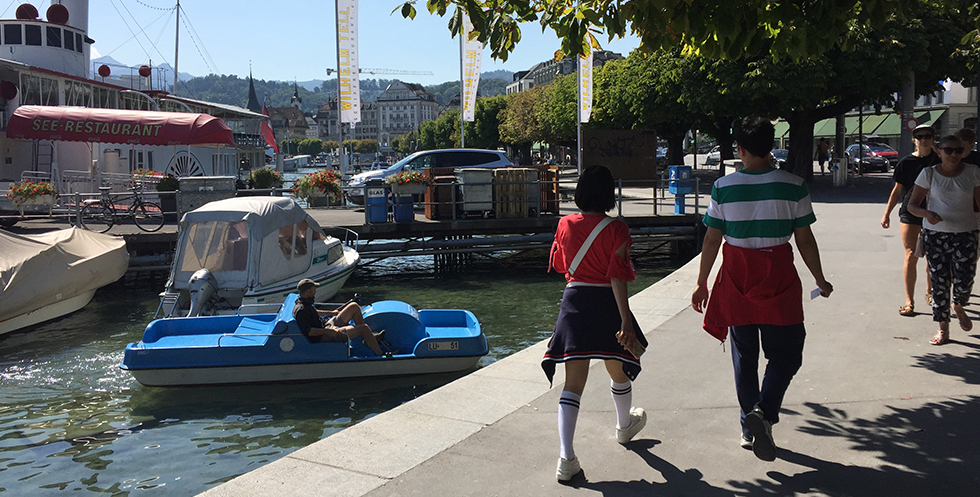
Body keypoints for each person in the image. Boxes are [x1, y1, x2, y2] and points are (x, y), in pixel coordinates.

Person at [692, 116, 833, 462]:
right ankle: (765, 411)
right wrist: (819, 277)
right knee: (787, 350)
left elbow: (712, 237)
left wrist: (701, 282)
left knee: (744, 354)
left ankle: (747, 424)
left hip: (737, 273)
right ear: (771, 145)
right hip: (778, 272)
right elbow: (804, 238)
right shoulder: (794, 184)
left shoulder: (723, 187)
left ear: (740, 149)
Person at [541, 165, 648, 482]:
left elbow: (561, 265)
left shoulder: (564, 224)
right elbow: (618, 274)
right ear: (609, 195)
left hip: (574, 304)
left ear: (581, 192)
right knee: (618, 369)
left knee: (573, 384)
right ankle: (624, 426)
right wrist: (626, 321)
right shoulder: (617, 229)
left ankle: (566, 457)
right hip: (606, 304)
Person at [906, 135, 980, 345]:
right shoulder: (928, 174)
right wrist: (927, 214)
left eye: (958, 150)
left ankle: (958, 304)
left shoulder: (973, 172)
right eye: (949, 150)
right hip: (936, 234)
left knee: (965, 278)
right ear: (939, 152)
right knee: (939, 281)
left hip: (967, 232)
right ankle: (943, 330)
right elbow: (912, 205)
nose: (954, 154)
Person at [881, 124, 938, 316]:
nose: (924, 139)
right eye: (920, 136)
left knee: (932, 255)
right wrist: (887, 213)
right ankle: (909, 301)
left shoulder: (940, 159)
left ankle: (930, 292)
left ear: (933, 138)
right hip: (910, 211)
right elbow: (898, 190)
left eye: (927, 136)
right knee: (911, 254)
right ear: (914, 140)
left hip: (935, 212)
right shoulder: (906, 162)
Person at [292, 279, 386, 356]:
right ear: (307, 292)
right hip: (323, 336)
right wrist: (330, 331)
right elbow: (309, 331)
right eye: (313, 290)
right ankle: (381, 354)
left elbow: (313, 312)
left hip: (326, 325)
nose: (315, 292)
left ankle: (368, 339)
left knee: (354, 306)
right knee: (364, 328)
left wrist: (331, 312)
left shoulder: (303, 301)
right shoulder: (301, 310)